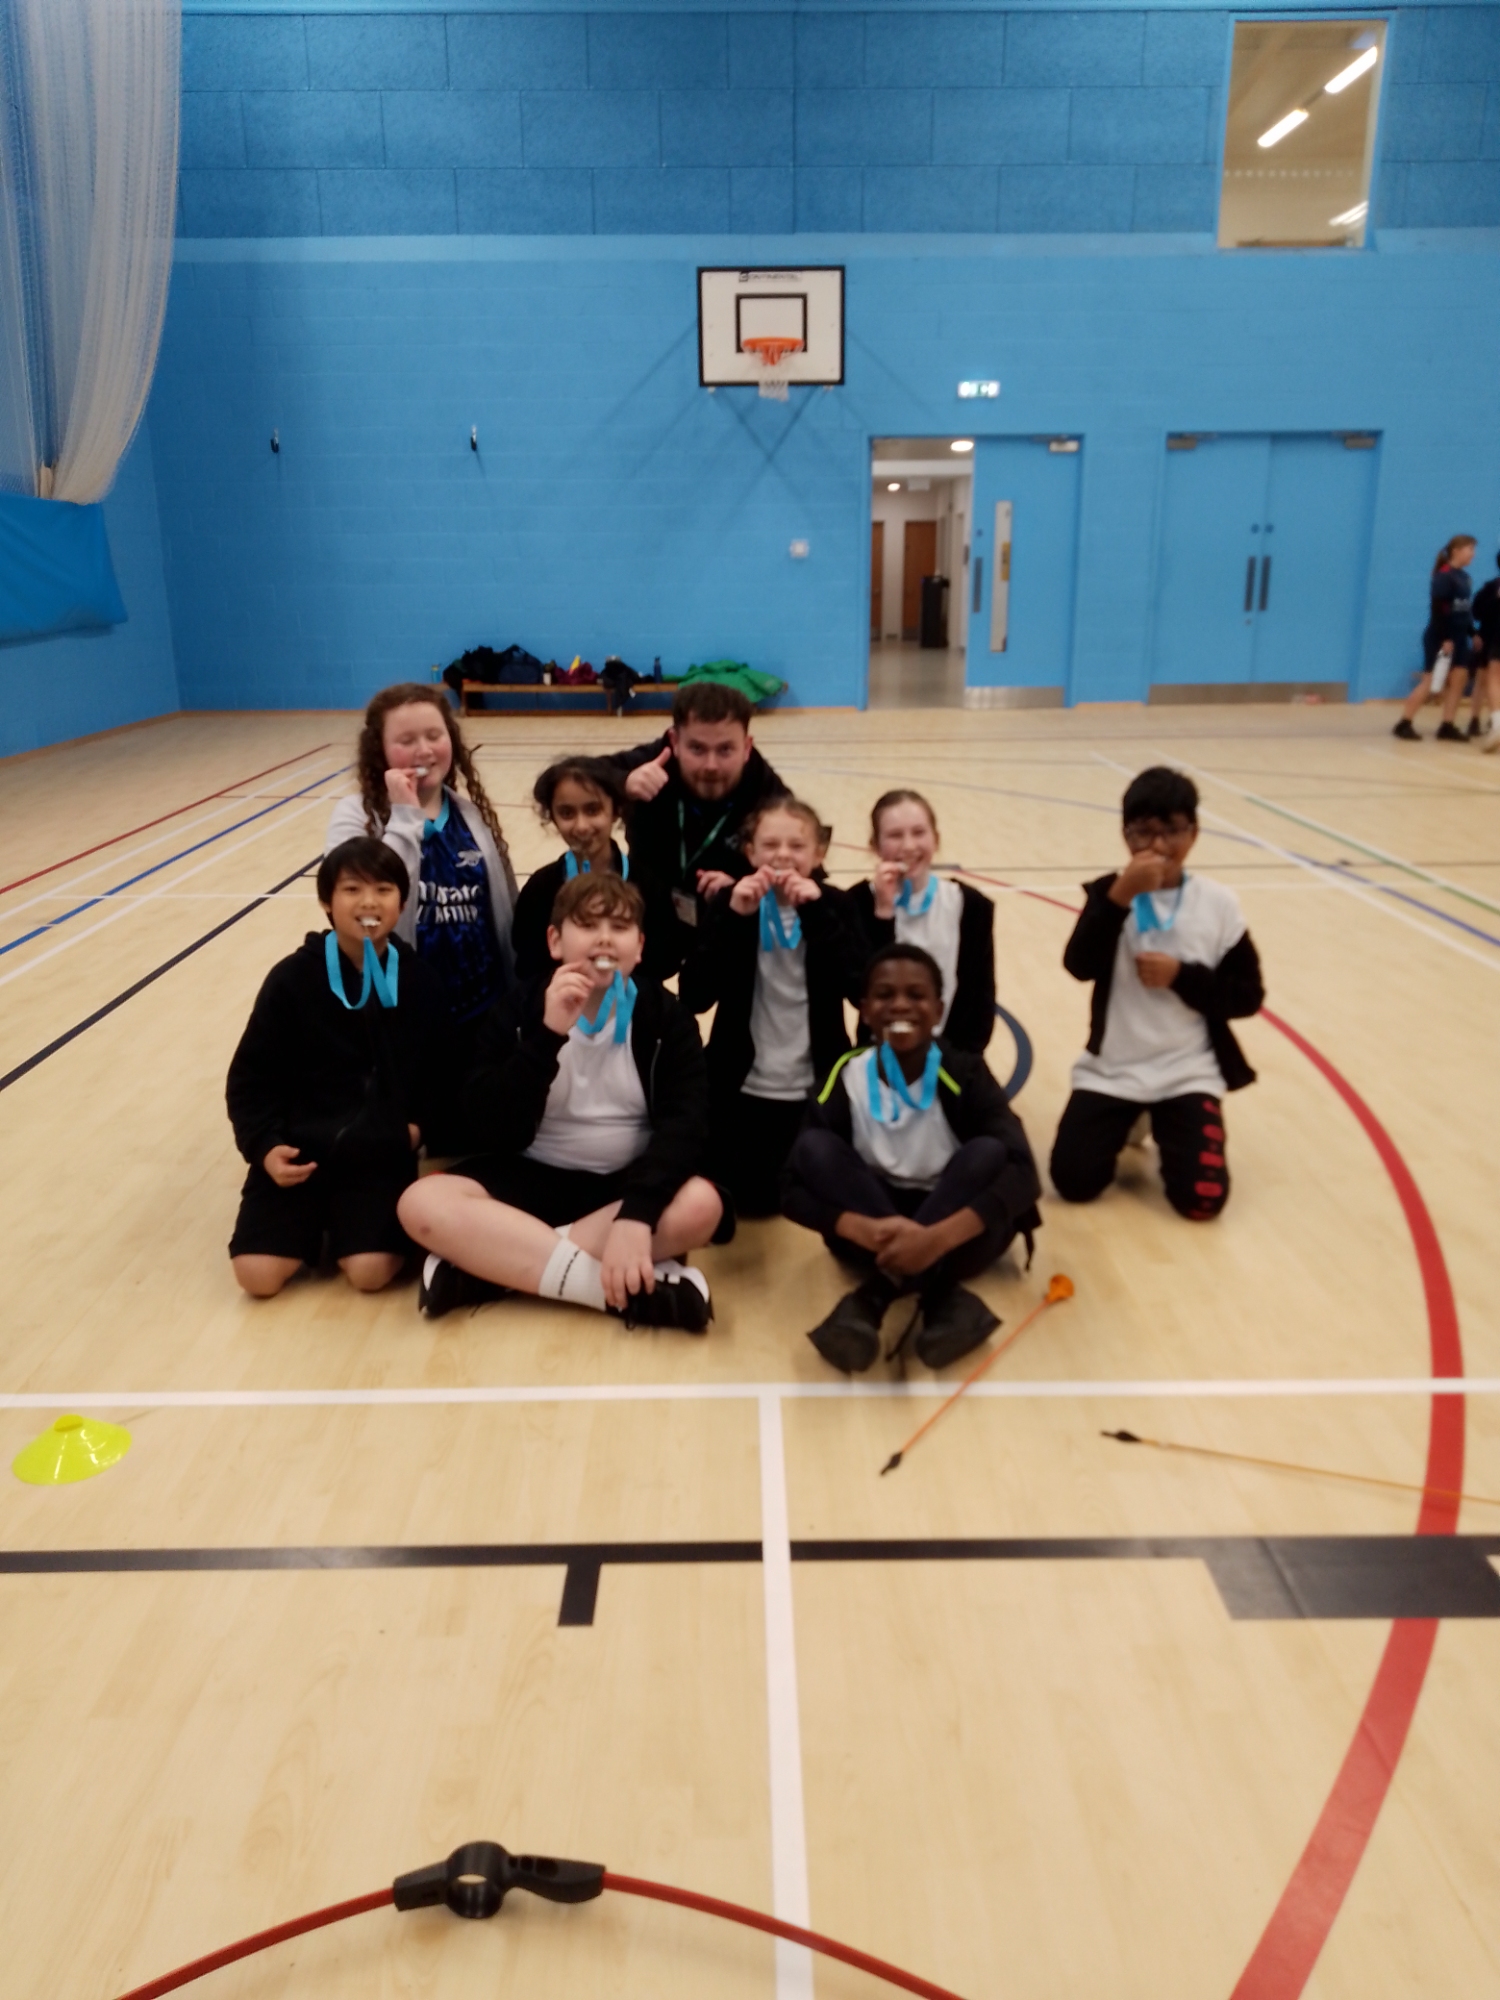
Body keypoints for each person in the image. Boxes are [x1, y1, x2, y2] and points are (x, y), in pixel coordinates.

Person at [399, 872, 725, 1329]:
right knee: (420, 1202)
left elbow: (684, 1126)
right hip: (532, 1175)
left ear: (639, 947)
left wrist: (636, 1215)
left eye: (619, 927)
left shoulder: (666, 1019)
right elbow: (491, 1125)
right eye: (588, 925)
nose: (604, 938)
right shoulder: (518, 1010)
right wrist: (546, 1035)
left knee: (702, 1205)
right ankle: (610, 1291)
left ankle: (492, 1268)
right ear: (555, 941)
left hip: (625, 1183)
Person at [783, 945, 1041, 1375]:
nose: (900, 1004)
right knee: (814, 1148)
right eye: (884, 995)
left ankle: (873, 1298)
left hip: (958, 1234)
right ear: (865, 1010)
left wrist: (935, 1239)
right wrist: (858, 1227)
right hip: (869, 1230)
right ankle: (943, 1299)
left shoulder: (966, 1072)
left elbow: (1024, 1174)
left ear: (938, 1010)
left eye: (916, 995)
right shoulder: (845, 1075)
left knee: (988, 1153)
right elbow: (790, 1188)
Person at [226, 837, 454, 1299]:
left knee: (370, 1272)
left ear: (402, 903)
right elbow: (250, 1078)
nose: (368, 902)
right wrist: (265, 1147)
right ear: (327, 902)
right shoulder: (291, 979)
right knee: (256, 1276)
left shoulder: (422, 981)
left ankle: (347, 1233)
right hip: (300, 1155)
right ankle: (321, 1226)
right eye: (352, 889)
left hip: (377, 1157)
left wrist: (416, 1130)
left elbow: (445, 1071)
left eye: (383, 889)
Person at [1049, 767, 1263, 1221]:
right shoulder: (1110, 893)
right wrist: (1119, 897)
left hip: (1186, 1072)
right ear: (1126, 836)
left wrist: (1182, 976)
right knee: (1074, 1182)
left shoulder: (1219, 904)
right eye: (1144, 833)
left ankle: (1160, 1116)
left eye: (1172, 831)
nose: (1159, 845)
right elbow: (1078, 965)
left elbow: (1248, 996)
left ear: (1194, 833)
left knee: (1202, 1201)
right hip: (1113, 1070)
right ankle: (1132, 1115)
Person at [680, 797, 865, 1217]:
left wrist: (817, 915)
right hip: (740, 1082)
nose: (783, 855)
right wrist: (732, 917)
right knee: (745, 1203)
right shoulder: (729, 902)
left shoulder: (836, 904)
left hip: (816, 1083)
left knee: (808, 1194)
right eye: (770, 845)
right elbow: (695, 995)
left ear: (819, 853)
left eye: (797, 846)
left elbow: (861, 990)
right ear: (750, 853)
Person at [326, 683, 517, 1037]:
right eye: (406, 740)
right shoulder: (355, 816)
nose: (424, 750)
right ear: (380, 749)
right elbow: (364, 907)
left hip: (483, 1007)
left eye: (434, 736)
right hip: (401, 1011)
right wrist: (405, 818)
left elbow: (505, 910)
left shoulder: (470, 814)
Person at [603, 682, 787, 975]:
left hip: (727, 918)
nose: (711, 765)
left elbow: (809, 874)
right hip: (652, 911)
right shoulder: (655, 760)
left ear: (746, 747)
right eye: (697, 748)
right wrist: (621, 782)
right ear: (674, 741)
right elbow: (558, 778)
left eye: (725, 749)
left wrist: (745, 886)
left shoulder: (765, 788)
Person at [847, 789, 995, 1052]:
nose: (908, 846)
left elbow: (981, 1000)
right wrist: (883, 914)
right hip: (878, 1052)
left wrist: (959, 1061)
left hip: (949, 1054)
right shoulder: (856, 903)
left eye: (918, 833)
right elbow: (858, 992)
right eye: (895, 835)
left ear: (935, 839)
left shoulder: (971, 905)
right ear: (875, 845)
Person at [511, 756, 634, 982]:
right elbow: (528, 968)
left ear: (616, 810)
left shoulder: (646, 884)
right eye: (567, 813)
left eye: (593, 810)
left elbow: (663, 961)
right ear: (553, 817)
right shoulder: (539, 891)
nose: (581, 826)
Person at [1392, 536, 1478, 742]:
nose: (1473, 554)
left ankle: (1447, 725)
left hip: (1459, 637)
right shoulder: (1444, 576)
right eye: (1469, 549)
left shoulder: (1465, 577)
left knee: (1459, 678)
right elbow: (1438, 609)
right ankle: (1404, 723)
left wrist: (1472, 633)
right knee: (1431, 680)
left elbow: (1463, 611)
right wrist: (1445, 638)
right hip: (1441, 636)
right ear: (1456, 550)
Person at [1474, 550, 1500, 752]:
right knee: (1490, 676)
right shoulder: (1490, 588)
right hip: (1492, 636)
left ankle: (1498, 723)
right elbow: (1477, 611)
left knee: (1494, 676)